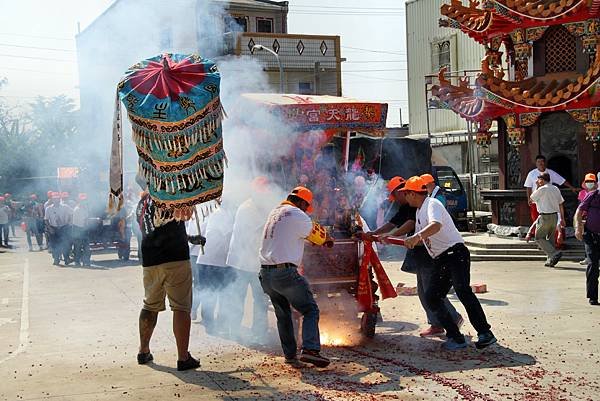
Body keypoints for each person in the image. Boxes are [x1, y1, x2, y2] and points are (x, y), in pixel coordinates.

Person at [403, 176, 496, 351]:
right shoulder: (419, 211)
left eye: (405, 194)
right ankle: (455, 336)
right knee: (432, 297)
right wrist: (405, 240)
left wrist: (416, 237)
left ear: (412, 193)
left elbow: (436, 225)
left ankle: (485, 333)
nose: (405, 198)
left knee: (463, 291)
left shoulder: (432, 204)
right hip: (442, 258)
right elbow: (424, 237)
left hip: (455, 254)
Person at [363, 176, 462, 337]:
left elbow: (409, 224)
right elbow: (393, 223)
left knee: (431, 290)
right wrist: (375, 233)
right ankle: (437, 323)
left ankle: (452, 318)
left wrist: (391, 235)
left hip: (428, 252)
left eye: (396, 195)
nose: (394, 199)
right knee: (424, 290)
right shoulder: (408, 206)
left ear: (406, 192)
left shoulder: (424, 205)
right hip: (420, 252)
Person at [259, 186, 332, 368]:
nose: (306, 211)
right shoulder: (296, 214)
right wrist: (328, 239)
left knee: (283, 315)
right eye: (306, 207)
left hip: (265, 274)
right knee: (310, 309)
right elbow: (320, 237)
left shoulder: (274, 213)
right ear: (300, 202)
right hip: (284, 274)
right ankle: (310, 350)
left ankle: (290, 356)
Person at [135, 191, 199, 371]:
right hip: (175, 257)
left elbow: (155, 228)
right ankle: (183, 357)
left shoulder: (142, 203)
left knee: (149, 305)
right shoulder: (172, 195)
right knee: (181, 306)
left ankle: (143, 350)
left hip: (150, 259)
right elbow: (186, 213)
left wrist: (188, 237)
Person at [226, 177, 274, 343]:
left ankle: (259, 332)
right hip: (241, 262)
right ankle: (234, 330)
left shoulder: (262, 207)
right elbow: (255, 236)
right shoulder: (247, 209)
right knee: (238, 297)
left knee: (260, 299)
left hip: (256, 263)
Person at [194, 199, 237, 337]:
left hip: (210, 260)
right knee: (214, 293)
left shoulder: (216, 213)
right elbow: (230, 236)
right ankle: (211, 324)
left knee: (211, 292)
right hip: (213, 261)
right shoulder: (221, 215)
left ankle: (212, 323)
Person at [524, 155, 576, 239]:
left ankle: (553, 241)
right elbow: (528, 187)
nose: (540, 163)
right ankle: (541, 240)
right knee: (537, 221)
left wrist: (572, 187)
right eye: (538, 162)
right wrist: (529, 199)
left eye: (542, 161)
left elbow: (561, 180)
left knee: (553, 222)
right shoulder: (531, 174)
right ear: (536, 163)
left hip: (549, 202)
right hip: (536, 202)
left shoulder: (550, 174)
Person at [530, 172, 565, 267]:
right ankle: (550, 260)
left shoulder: (542, 189)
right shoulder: (556, 188)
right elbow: (560, 203)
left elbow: (532, 198)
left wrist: (537, 187)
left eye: (538, 179)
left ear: (542, 180)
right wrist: (562, 218)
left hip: (545, 216)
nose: (537, 181)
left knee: (539, 237)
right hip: (554, 216)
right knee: (550, 239)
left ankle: (554, 253)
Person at [574, 178, 600, 305]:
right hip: (591, 235)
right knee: (593, 265)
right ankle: (593, 296)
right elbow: (579, 211)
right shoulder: (592, 195)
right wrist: (578, 228)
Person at [44, 192, 73, 266]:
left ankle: (66, 259)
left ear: (60, 199)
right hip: (53, 228)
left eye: (57, 199)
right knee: (54, 245)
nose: (56, 200)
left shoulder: (65, 207)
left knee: (65, 244)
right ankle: (56, 259)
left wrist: (69, 223)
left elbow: (72, 214)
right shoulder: (48, 208)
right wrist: (50, 228)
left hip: (64, 228)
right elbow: (46, 220)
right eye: (54, 199)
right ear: (52, 199)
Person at [577, 173, 597, 265]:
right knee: (587, 241)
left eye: (591, 181)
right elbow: (579, 208)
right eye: (588, 181)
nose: (589, 183)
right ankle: (587, 257)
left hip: (594, 221)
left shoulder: (597, 193)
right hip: (585, 220)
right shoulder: (582, 193)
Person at [72, 193, 91, 266]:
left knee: (86, 246)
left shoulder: (84, 208)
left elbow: (86, 219)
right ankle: (77, 261)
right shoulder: (77, 209)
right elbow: (84, 221)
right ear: (79, 200)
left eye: (85, 200)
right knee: (78, 246)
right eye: (82, 200)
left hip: (84, 229)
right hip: (78, 229)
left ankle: (86, 261)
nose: (84, 201)